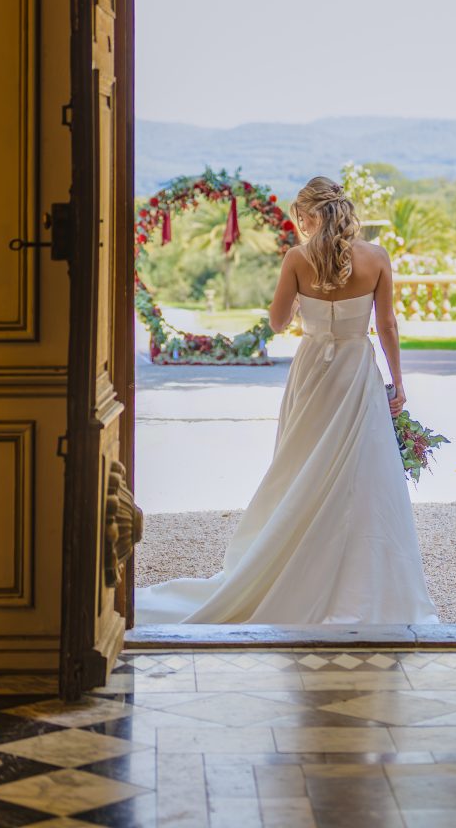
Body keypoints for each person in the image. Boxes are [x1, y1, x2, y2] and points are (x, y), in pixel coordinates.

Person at [135, 176, 438, 625]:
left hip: (314, 370)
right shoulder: (376, 258)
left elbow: (277, 323)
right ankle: (368, 584)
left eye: (300, 217)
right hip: (356, 370)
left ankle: (294, 557)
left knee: (301, 462)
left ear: (309, 215)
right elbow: (388, 325)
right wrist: (398, 382)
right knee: (363, 469)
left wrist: (302, 305)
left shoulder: (298, 259)